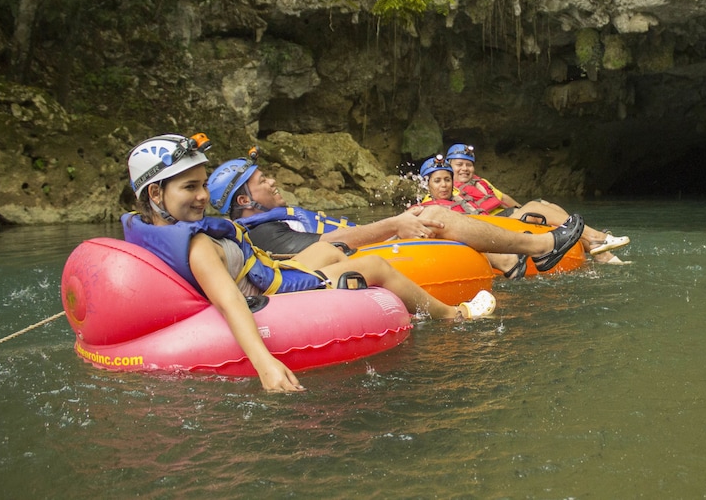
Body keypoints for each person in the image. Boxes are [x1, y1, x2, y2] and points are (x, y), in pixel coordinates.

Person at [123, 134, 497, 393]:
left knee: (329, 252)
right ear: (155, 192)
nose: (202, 196)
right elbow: (230, 301)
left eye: (203, 185)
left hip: (266, 270)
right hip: (274, 290)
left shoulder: (151, 231)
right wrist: (266, 365)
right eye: (189, 187)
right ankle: (453, 315)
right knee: (376, 267)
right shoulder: (199, 246)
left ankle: (359, 287)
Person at [206, 150, 586, 280]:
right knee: (434, 213)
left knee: (428, 211)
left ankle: (506, 259)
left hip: (369, 245)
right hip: (358, 260)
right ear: (245, 200)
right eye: (262, 181)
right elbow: (326, 246)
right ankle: (539, 247)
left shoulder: (277, 217)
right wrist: (394, 224)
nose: (272, 181)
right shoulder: (262, 232)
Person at [445, 143, 630, 261]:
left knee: (549, 206)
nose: (465, 169)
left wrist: (522, 210)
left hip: (504, 218)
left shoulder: (480, 182)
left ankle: (599, 251)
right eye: (459, 164)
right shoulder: (444, 188)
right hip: (488, 227)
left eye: (469, 164)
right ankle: (596, 237)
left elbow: (505, 199)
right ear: (449, 166)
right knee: (534, 208)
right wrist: (528, 211)